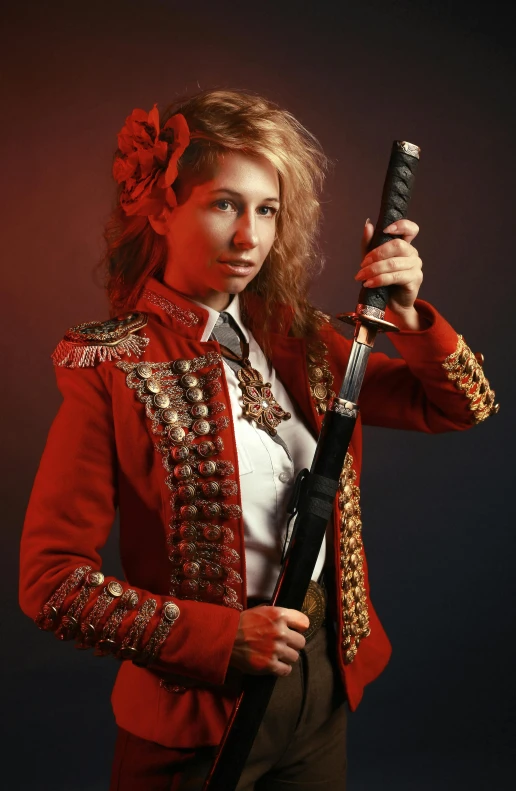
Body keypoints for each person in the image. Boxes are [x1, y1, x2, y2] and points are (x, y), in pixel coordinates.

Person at [19, 89, 498, 791]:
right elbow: (51, 583)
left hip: (323, 688)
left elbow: (460, 404)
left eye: (266, 210)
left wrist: (411, 317)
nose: (249, 236)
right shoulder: (112, 364)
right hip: (196, 716)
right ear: (159, 209)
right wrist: (219, 639)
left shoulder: (300, 339)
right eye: (223, 204)